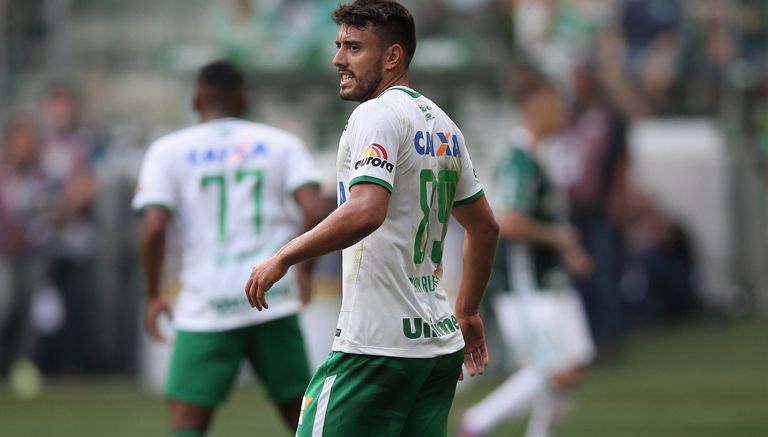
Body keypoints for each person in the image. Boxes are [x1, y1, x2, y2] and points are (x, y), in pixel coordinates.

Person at [244, 1, 499, 436]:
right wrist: (468, 310)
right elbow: (484, 226)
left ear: (392, 56)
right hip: (436, 346)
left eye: (354, 47)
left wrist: (284, 256)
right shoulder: (443, 124)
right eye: (339, 45)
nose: (337, 59)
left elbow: (366, 211)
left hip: (376, 346)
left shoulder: (375, 114)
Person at [133, 60, 324, 437]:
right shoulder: (281, 143)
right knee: (305, 420)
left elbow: (154, 227)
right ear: (243, 99)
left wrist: (154, 295)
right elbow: (315, 209)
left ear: (196, 100)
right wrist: (302, 271)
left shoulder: (168, 150)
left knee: (187, 422)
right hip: (273, 296)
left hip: (207, 302)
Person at [460, 76, 595, 437]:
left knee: (573, 366)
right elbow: (511, 222)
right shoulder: (519, 160)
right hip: (527, 286)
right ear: (534, 108)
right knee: (555, 369)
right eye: (555, 105)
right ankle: (476, 423)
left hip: (548, 281)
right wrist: (560, 238)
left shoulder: (538, 158)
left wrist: (567, 247)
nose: (562, 113)